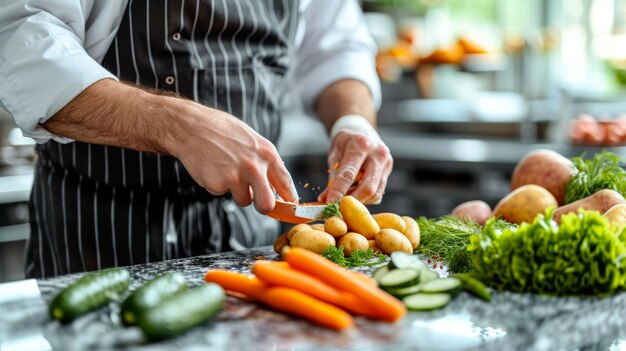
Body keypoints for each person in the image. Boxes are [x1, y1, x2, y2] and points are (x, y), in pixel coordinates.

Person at [0, 0, 393, 279]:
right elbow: (23, 41)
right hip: (96, 245)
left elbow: (337, 47)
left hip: (246, 244)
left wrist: (352, 119)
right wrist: (179, 125)